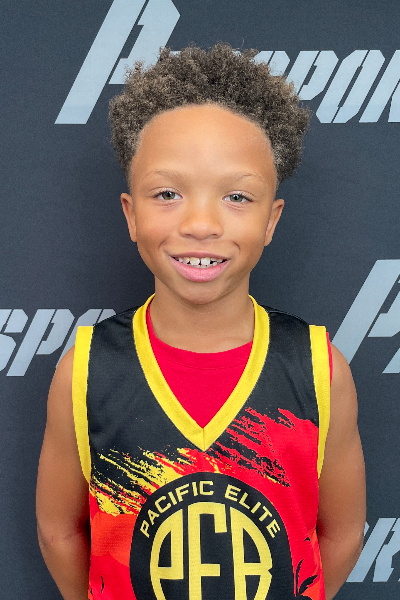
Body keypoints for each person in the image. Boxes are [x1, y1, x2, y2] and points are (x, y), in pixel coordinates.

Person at [36, 43, 366, 600]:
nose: (201, 223)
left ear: (271, 220)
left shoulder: (318, 369)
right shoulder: (86, 370)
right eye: (168, 193)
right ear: (131, 214)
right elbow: (59, 531)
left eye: (237, 196)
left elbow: (340, 534)